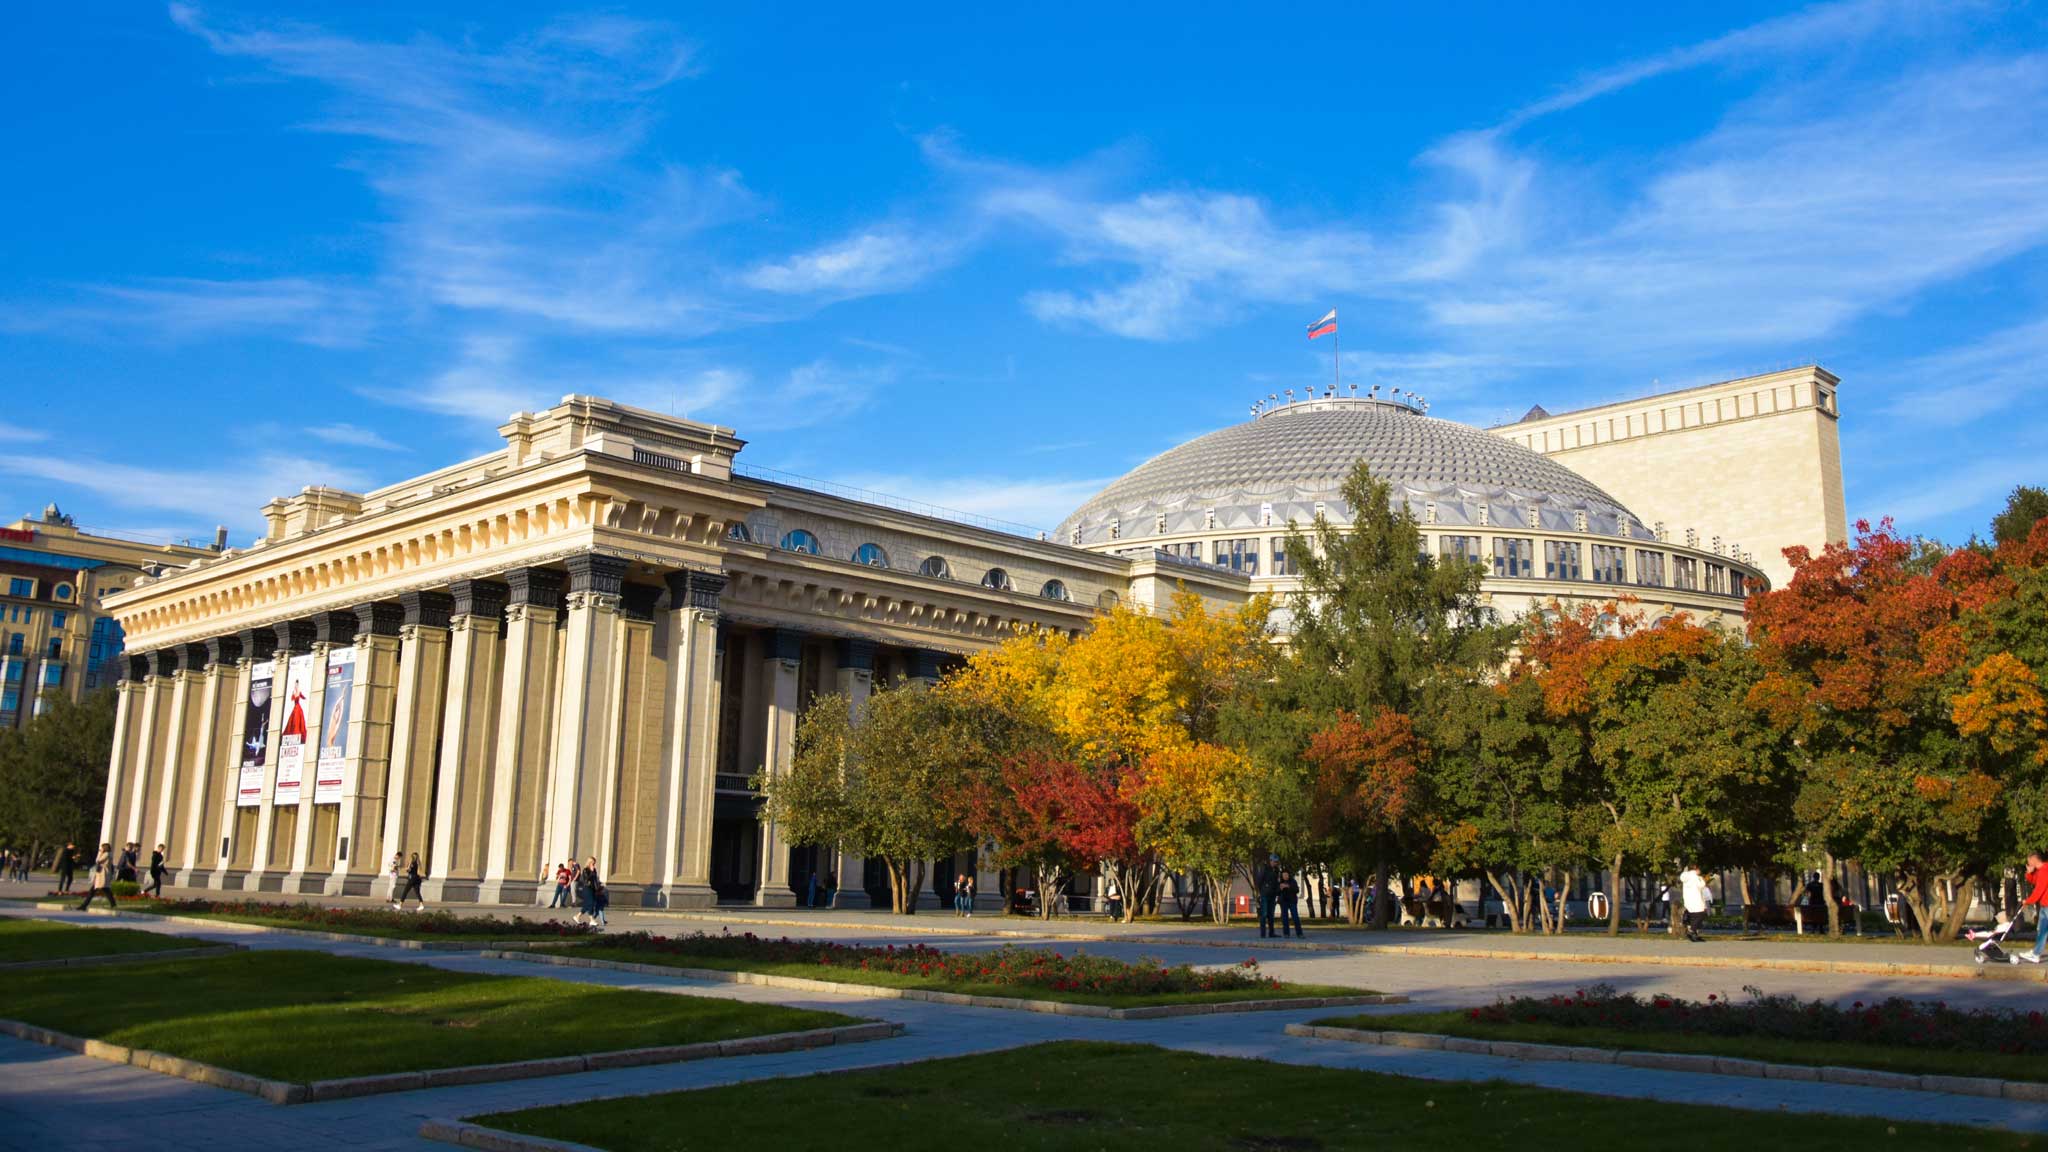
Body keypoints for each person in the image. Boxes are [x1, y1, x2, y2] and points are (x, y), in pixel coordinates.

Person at [2022, 850, 2048, 963]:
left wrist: (2028, 901)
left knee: (2042, 930)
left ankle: (2035, 954)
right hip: (2044, 905)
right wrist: (2029, 873)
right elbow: (2034, 881)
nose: (2028, 864)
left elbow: (2039, 890)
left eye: (2029, 861)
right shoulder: (2040, 871)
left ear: (2034, 860)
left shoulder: (2044, 871)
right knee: (2042, 930)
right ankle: (2035, 953)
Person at [1679, 863, 1712, 943]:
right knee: (1700, 915)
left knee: (1694, 916)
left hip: (1689, 898)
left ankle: (1694, 934)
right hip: (1696, 899)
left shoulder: (1686, 876)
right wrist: (1702, 879)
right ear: (1695, 869)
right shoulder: (1695, 877)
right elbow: (1701, 885)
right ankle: (1692, 931)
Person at [77, 844, 116, 911]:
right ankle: (113, 904)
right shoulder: (109, 854)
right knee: (104, 890)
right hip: (102, 874)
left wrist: (100, 853)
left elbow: (97, 860)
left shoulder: (106, 854)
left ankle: (84, 906)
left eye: (102, 848)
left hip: (102, 874)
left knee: (97, 890)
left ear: (105, 848)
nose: (101, 849)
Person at [576, 855, 607, 927]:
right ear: (589, 862)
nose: (594, 864)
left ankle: (577, 916)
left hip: (593, 888)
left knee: (587, 904)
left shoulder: (594, 870)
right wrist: (592, 872)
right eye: (593, 863)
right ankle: (591, 920)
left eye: (594, 863)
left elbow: (595, 879)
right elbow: (586, 879)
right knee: (591, 903)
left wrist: (598, 888)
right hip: (587, 888)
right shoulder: (585, 870)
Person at [1256, 855, 1281, 938]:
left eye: (1276, 862)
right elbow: (1259, 880)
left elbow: (1276, 882)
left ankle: (1271, 933)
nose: (1275, 863)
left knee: (1271, 914)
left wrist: (1277, 892)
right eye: (1274, 861)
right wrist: (1261, 891)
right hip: (1265, 894)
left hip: (1273, 895)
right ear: (1270, 861)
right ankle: (1263, 933)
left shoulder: (1276, 870)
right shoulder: (1265, 868)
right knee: (1264, 914)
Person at [1277, 869, 1304, 938]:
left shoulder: (1293, 881)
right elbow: (1277, 892)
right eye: (1283, 875)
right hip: (1283, 902)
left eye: (1286, 875)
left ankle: (1299, 933)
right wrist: (1280, 888)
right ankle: (1286, 933)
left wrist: (1288, 886)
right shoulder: (1280, 882)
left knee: (1295, 917)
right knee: (1284, 918)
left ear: (1289, 875)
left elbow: (1297, 890)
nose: (1285, 876)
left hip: (1292, 901)